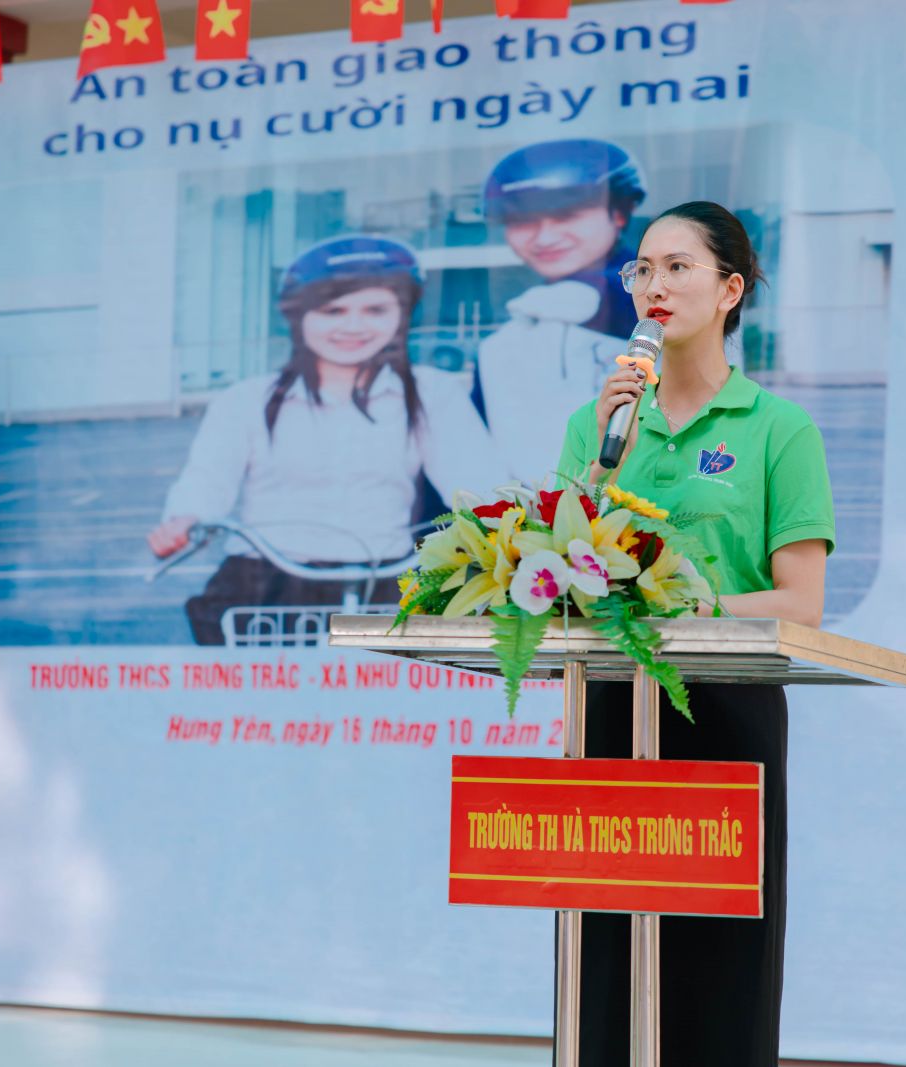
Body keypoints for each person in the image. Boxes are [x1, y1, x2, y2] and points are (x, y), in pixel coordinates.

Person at [554, 202, 835, 1065]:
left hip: (725, 712)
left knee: (719, 963)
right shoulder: (596, 424)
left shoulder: (777, 428)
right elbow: (557, 572)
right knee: (602, 954)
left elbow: (802, 602)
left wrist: (693, 612)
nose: (656, 284)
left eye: (679, 266)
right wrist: (601, 462)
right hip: (609, 709)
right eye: (642, 268)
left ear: (730, 290)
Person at [147, 235, 507, 645]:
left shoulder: (432, 393)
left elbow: (476, 477)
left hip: (385, 575)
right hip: (265, 580)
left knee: (394, 681)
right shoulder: (246, 399)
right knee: (249, 681)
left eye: (375, 310)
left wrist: (509, 527)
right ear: (299, 315)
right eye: (333, 310)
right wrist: (184, 521)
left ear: (402, 314)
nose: (353, 326)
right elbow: (208, 479)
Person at [474, 137, 647, 485]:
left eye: (567, 215)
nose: (544, 237)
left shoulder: (657, 300)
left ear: (620, 212)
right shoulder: (503, 342)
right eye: (522, 220)